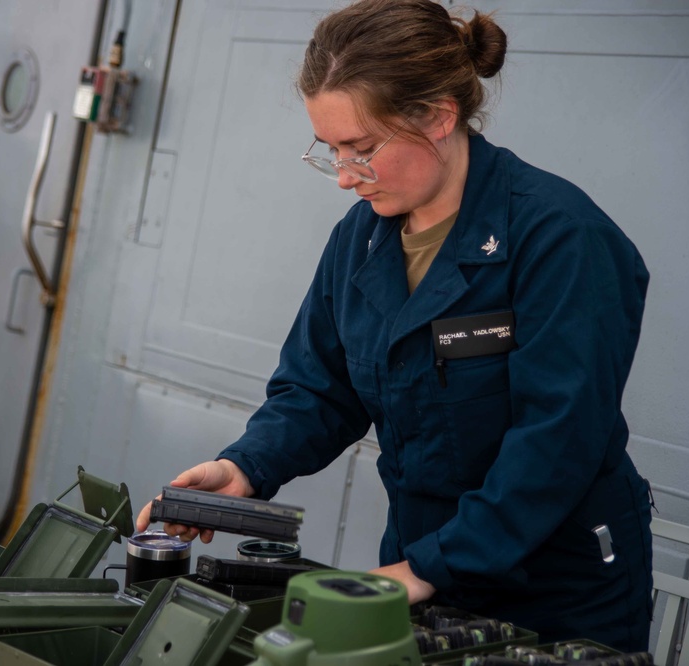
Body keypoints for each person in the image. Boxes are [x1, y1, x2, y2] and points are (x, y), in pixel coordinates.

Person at [136, 0, 653, 652]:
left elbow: (556, 443)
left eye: (362, 149)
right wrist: (243, 467)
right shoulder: (362, 240)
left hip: (556, 589)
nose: (345, 177)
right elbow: (319, 387)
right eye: (330, 151)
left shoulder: (561, 239)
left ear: (439, 116)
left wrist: (429, 569)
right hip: (422, 561)